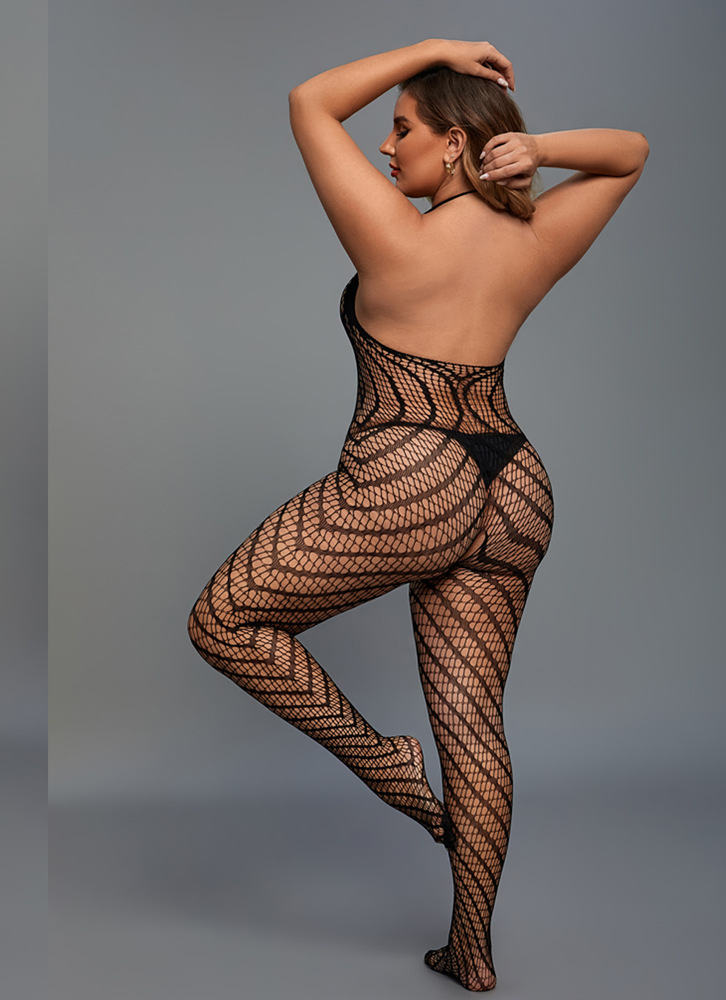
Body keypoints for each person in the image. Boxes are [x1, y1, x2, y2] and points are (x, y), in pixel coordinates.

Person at [188, 38, 648, 993]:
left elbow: (310, 100)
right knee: (474, 725)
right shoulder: (535, 237)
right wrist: (542, 150)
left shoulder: (396, 237)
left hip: (414, 472)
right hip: (515, 486)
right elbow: (630, 153)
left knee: (224, 621)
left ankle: (385, 763)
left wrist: (438, 47)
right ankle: (471, 949)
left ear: (455, 142)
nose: (387, 147)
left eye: (402, 129)